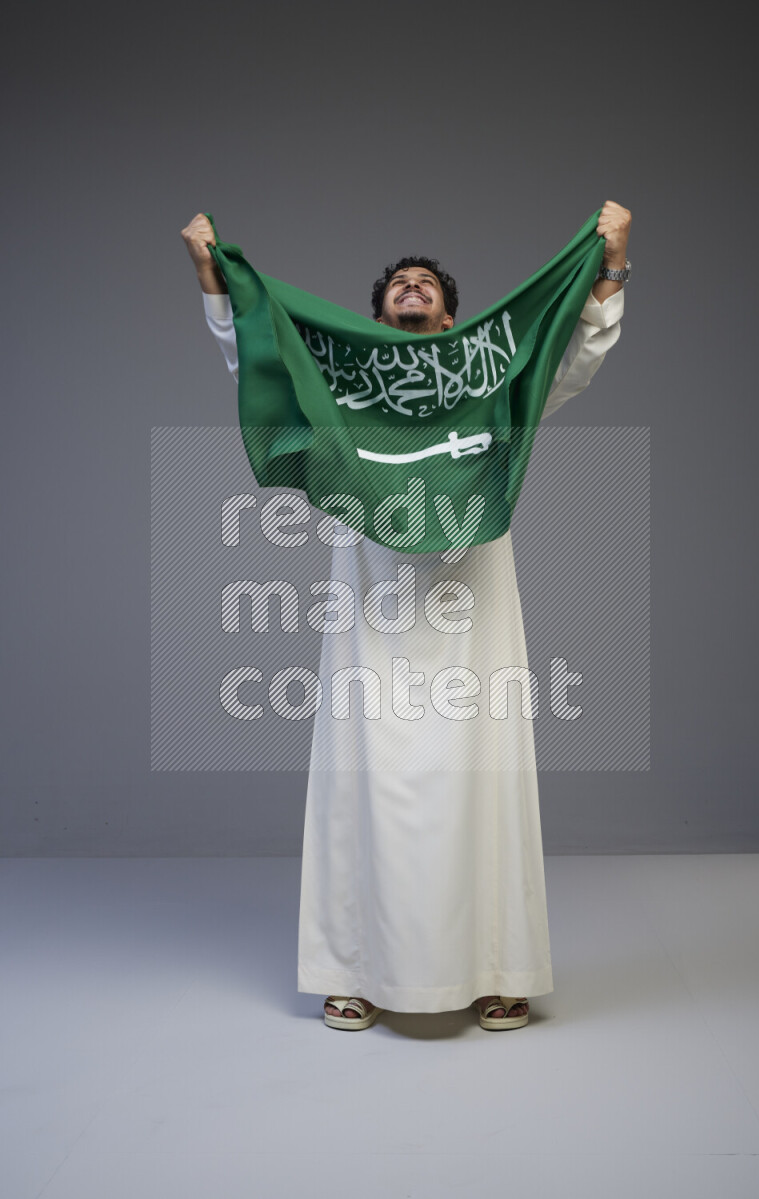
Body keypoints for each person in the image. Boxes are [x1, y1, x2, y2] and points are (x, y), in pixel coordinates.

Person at [181, 201, 631, 1030]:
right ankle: (354, 971)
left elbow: (565, 362)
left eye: (425, 285)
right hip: (372, 602)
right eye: (398, 286)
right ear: (376, 317)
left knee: (484, 782)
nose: (412, 289)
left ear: (455, 320)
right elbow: (263, 359)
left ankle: (501, 969)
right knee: (365, 781)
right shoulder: (343, 391)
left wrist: (606, 271)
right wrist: (216, 281)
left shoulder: (493, 383)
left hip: (475, 605)